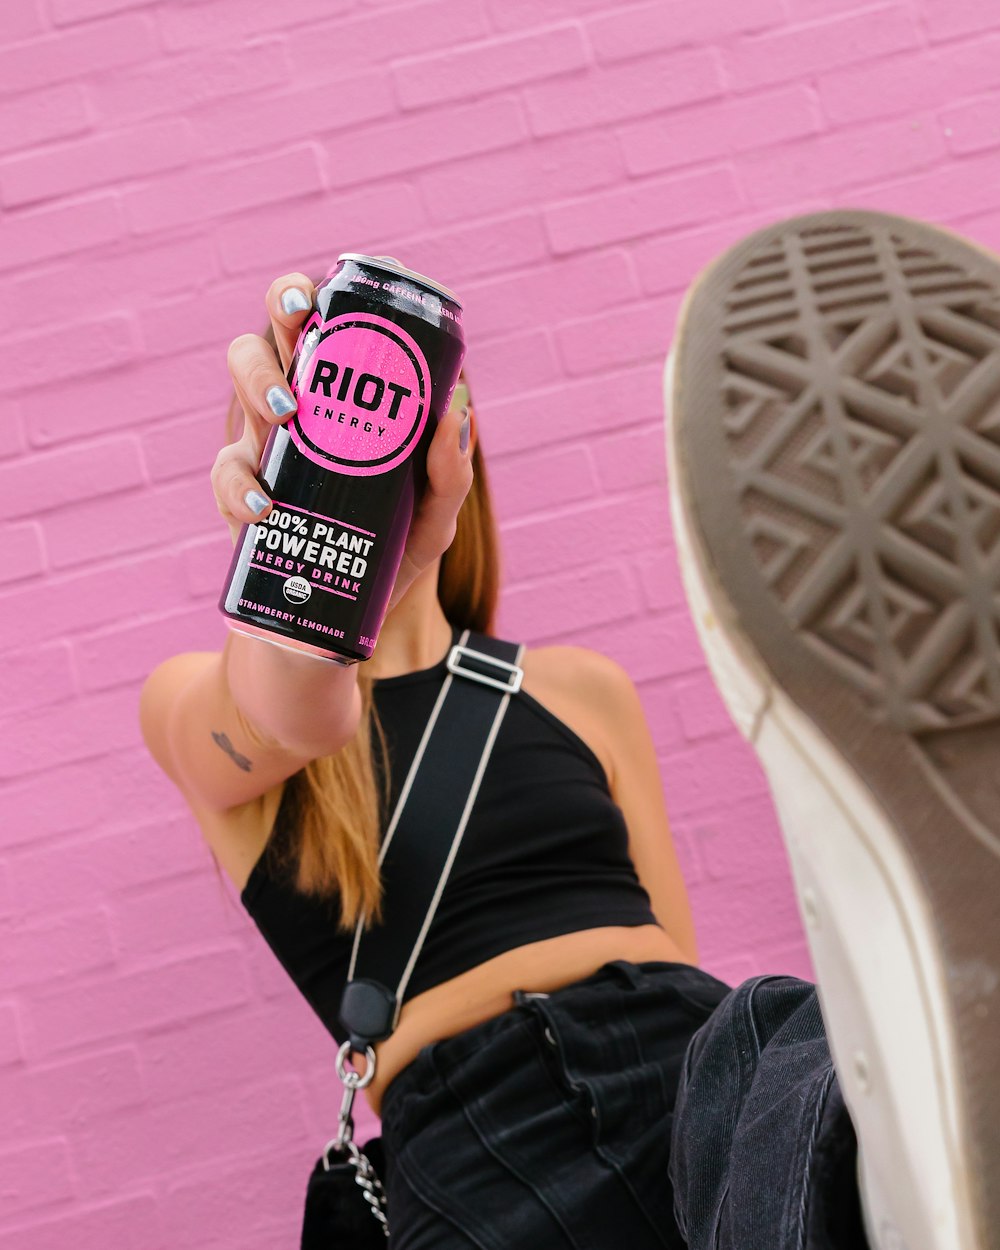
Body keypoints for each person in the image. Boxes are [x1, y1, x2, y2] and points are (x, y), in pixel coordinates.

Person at [139, 211, 997, 1250]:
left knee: (805, 1094)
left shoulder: (580, 689)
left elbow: (674, 953)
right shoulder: (201, 698)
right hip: (473, 1147)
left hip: (687, 1062)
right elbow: (293, 710)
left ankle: (921, 1143)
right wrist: (306, 564)